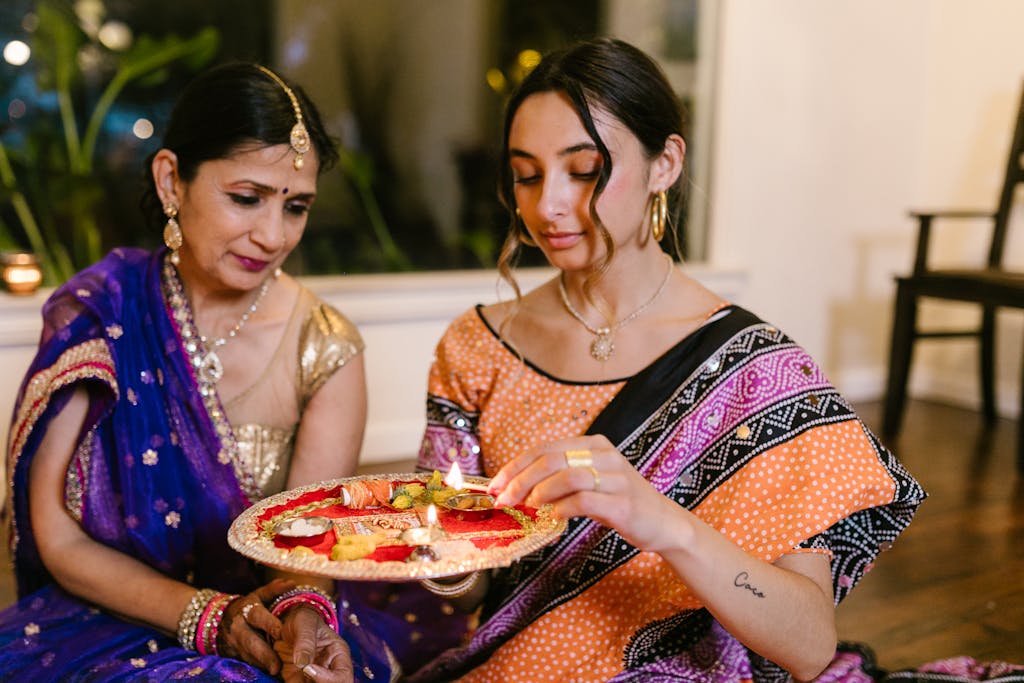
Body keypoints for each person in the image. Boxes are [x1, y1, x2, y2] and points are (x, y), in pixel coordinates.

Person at [408, 38, 928, 682]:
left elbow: (808, 643)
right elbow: (454, 585)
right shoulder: (477, 346)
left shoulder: (758, 372)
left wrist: (656, 518)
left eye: (585, 169)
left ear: (665, 163)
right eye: (527, 174)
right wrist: (446, 564)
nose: (548, 206)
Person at [0, 62, 396, 681]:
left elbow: (308, 546)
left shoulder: (325, 347)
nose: (272, 234)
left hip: (265, 624)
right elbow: (56, 535)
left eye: (297, 207)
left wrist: (304, 619)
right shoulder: (103, 315)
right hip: (107, 618)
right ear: (170, 181)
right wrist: (207, 618)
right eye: (246, 198)